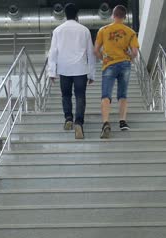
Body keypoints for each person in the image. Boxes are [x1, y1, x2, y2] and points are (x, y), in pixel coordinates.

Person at [48, 3, 96, 139]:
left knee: (66, 95)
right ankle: (79, 123)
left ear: (65, 14)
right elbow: (90, 53)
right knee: (80, 96)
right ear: (76, 15)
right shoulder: (84, 30)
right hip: (80, 69)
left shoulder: (58, 30)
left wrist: (52, 72)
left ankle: (68, 118)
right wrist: (92, 73)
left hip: (64, 69)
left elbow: (53, 53)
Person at [94, 5, 139, 139]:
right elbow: (135, 52)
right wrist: (129, 58)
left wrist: (104, 59)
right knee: (123, 94)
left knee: (106, 95)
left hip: (109, 64)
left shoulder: (104, 30)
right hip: (125, 64)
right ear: (125, 17)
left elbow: (95, 50)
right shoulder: (130, 32)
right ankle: (122, 122)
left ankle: (106, 123)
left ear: (113, 15)